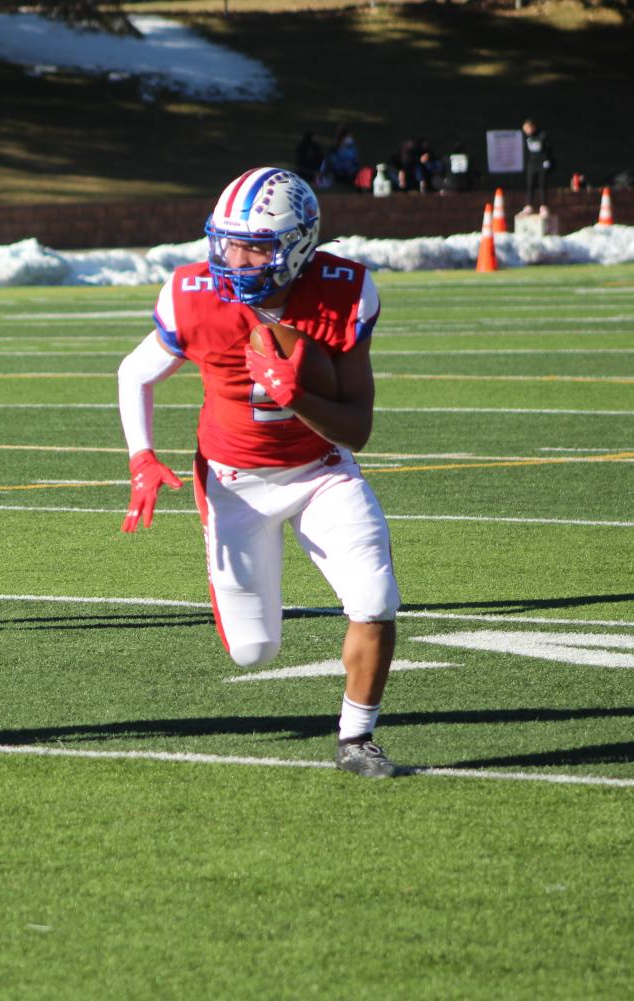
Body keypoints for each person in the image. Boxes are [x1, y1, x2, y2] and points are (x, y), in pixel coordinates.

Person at [115, 167, 403, 778]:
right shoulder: (193, 295)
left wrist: (299, 397)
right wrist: (142, 456)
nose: (236, 259)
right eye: (228, 243)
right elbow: (133, 374)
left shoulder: (344, 291)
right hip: (233, 481)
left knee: (375, 600)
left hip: (322, 469)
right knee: (254, 650)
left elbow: (356, 429)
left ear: (299, 246)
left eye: (255, 247)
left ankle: (357, 739)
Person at [522, 118, 553, 211]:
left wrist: (547, 160)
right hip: (532, 164)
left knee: (542, 184)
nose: (526, 131)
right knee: (530, 184)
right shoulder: (527, 138)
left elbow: (548, 149)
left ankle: (543, 205)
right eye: (525, 130)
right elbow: (526, 151)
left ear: (533, 127)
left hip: (542, 164)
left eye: (528, 129)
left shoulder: (542, 135)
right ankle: (528, 205)